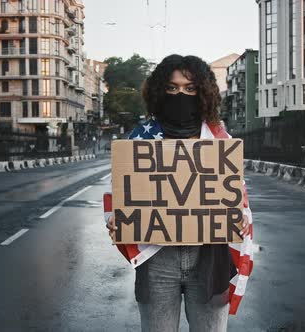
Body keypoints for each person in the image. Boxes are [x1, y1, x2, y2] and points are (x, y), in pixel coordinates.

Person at [104, 55, 254, 332]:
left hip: (209, 259)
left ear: (203, 93)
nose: (180, 94)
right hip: (157, 260)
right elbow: (119, 190)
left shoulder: (219, 139)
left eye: (190, 88)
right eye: (172, 88)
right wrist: (117, 218)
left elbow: (237, 194)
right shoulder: (140, 138)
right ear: (160, 92)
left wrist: (240, 217)